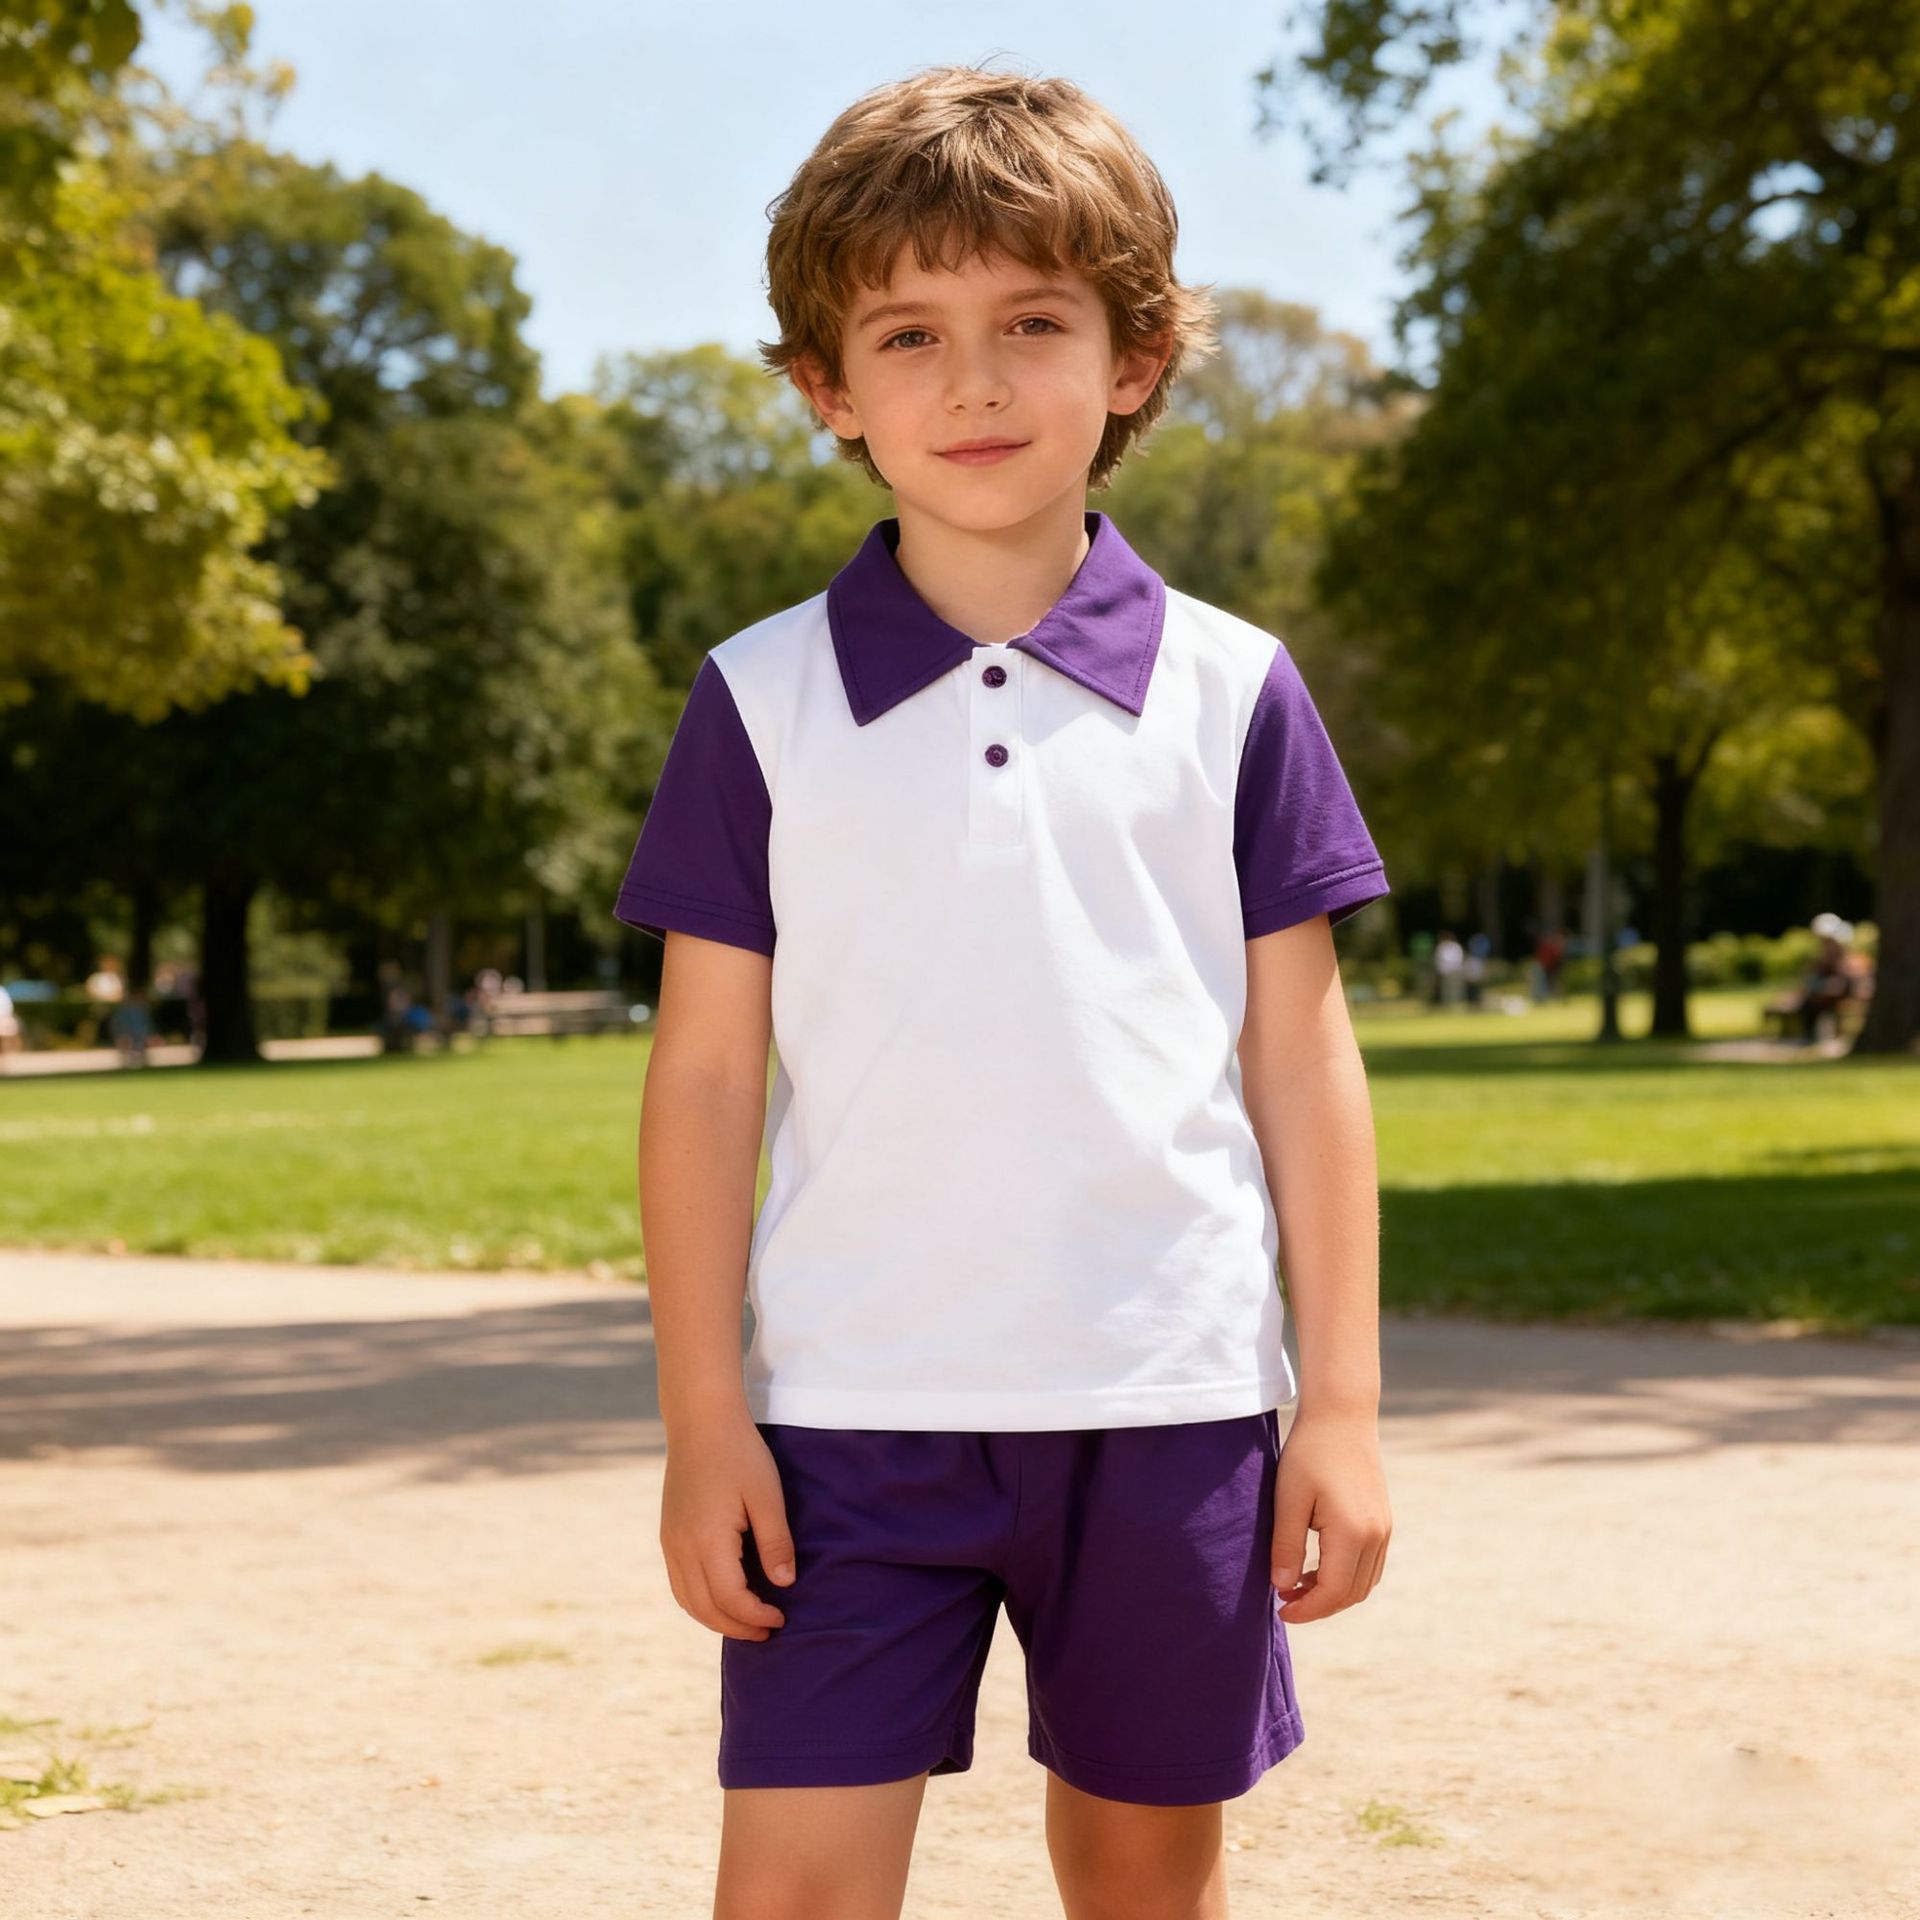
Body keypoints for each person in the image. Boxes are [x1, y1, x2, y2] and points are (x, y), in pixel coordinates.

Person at [615, 66, 1394, 1919]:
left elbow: (1302, 1058)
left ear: (1134, 359)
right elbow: (706, 1078)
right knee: (794, 1892)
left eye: (1034, 322)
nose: (973, 382)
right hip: (841, 1419)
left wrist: (1344, 1407)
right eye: (910, 334)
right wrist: (705, 1417)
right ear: (828, 387)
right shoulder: (758, 700)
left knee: (1143, 1881)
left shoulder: (1234, 688)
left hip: (1172, 1401)